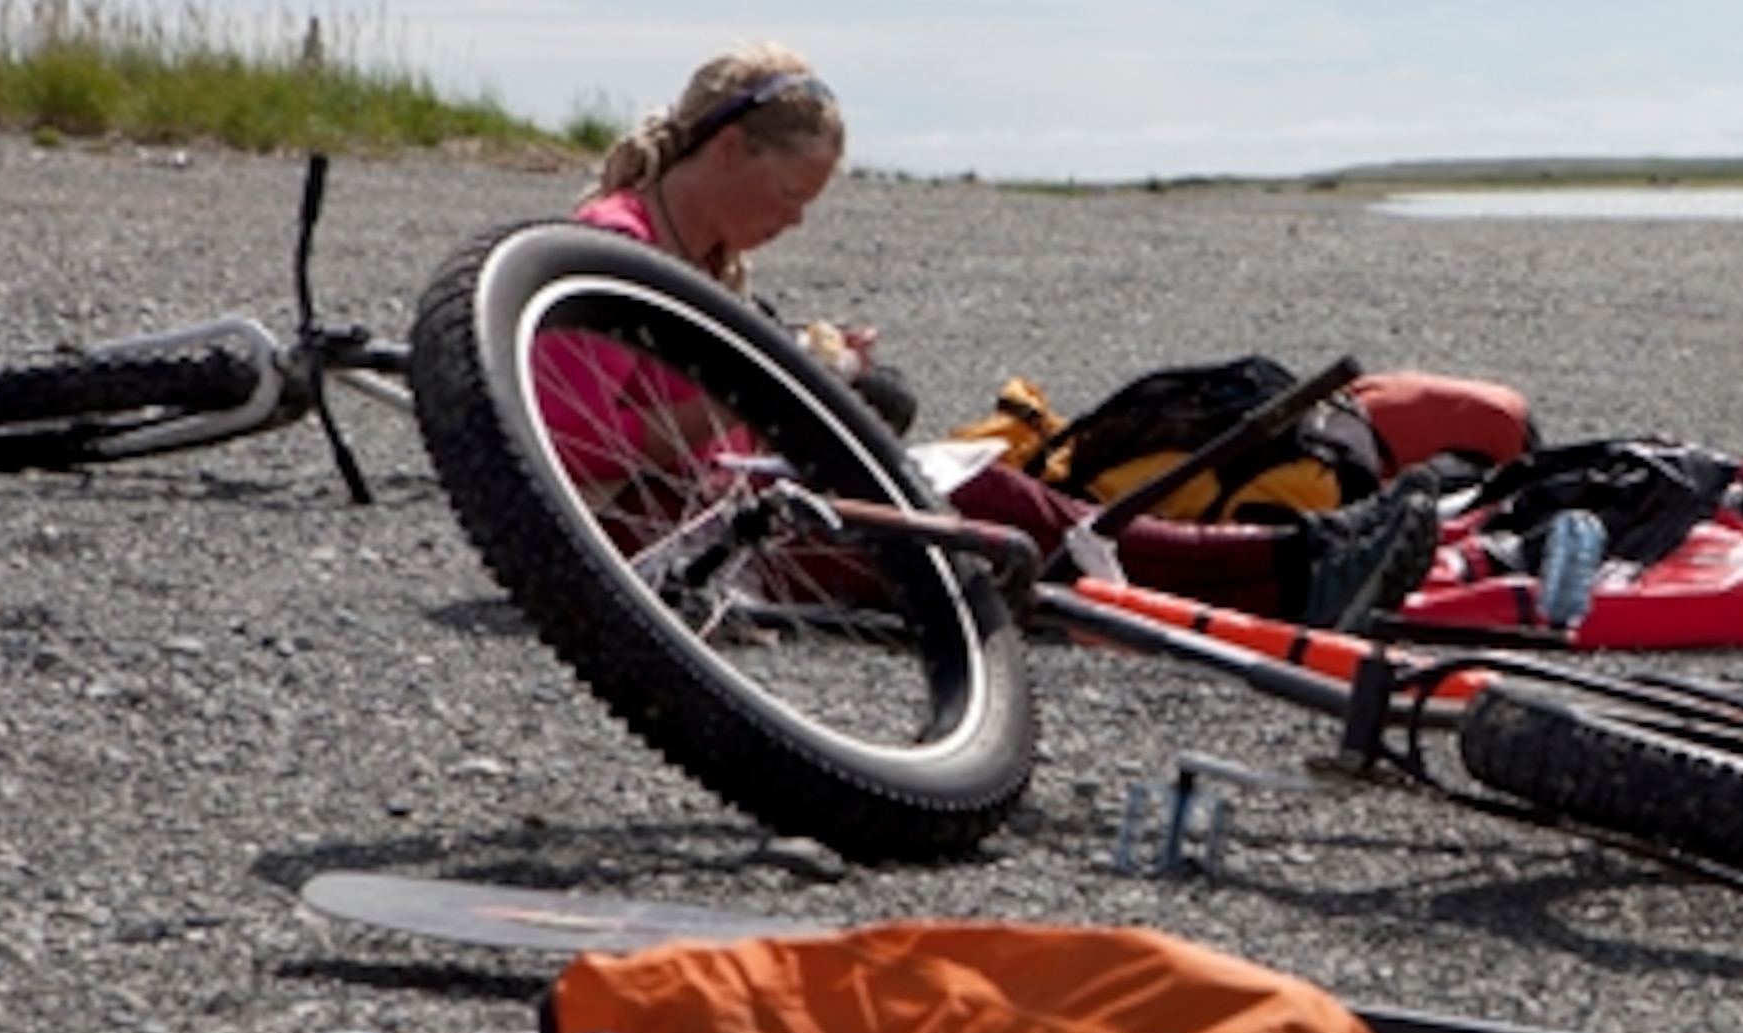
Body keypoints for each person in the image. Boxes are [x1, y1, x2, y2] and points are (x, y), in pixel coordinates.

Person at [565, 46, 1440, 629]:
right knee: (983, 525)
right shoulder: (613, 250)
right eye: (790, 194)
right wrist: (777, 380)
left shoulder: (692, 251)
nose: (793, 222)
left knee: (996, 489)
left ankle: (1289, 563)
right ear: (727, 152)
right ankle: (1293, 573)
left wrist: (811, 365)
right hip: (663, 536)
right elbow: (573, 455)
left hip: (732, 500)